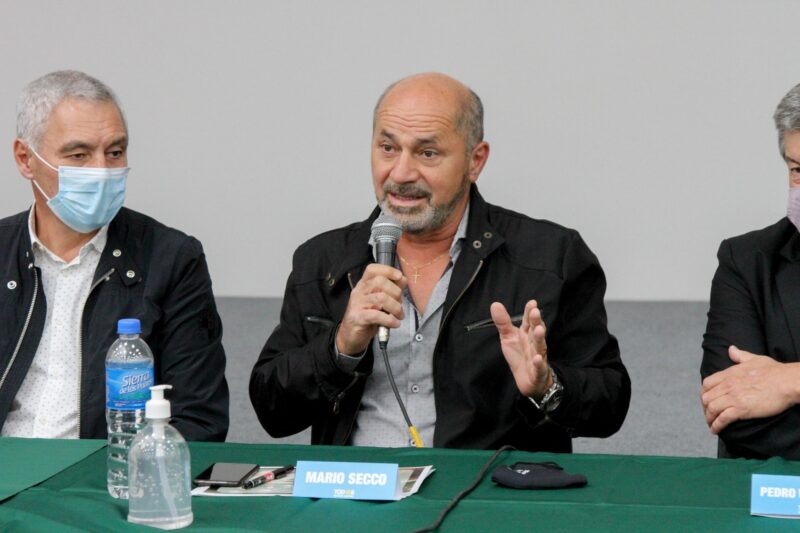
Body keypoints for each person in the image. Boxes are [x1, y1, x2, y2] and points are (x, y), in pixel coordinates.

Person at [250, 72, 630, 451]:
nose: (401, 173)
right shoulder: (324, 262)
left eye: (427, 153)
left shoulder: (551, 258)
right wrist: (340, 347)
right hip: (358, 483)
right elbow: (273, 411)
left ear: (475, 161)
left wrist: (547, 386)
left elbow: (610, 403)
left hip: (486, 484)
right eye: (388, 148)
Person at [0, 70, 228, 441]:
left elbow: (199, 420)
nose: (102, 171)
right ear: (26, 159)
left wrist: (128, 466)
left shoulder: (170, 259)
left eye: (115, 153)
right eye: (79, 155)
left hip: (107, 469)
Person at [701, 82, 800, 460]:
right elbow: (734, 412)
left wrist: (790, 381)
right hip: (775, 491)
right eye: (797, 169)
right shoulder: (746, 261)